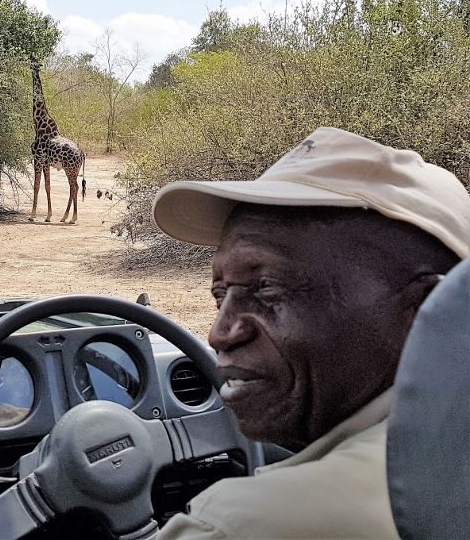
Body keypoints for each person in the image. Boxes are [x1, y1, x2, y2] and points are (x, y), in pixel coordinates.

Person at [151, 127, 470, 539]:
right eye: (219, 295)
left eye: (266, 289)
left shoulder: (243, 523)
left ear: (427, 308)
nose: (219, 334)